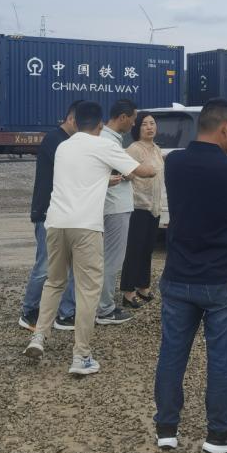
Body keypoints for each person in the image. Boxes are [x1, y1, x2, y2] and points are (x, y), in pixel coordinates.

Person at [153, 98, 227, 453]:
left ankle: (166, 428)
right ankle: (220, 433)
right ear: (226, 128)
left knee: (172, 353)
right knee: (222, 357)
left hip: (178, 275)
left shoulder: (174, 162)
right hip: (221, 278)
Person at [23, 101, 156, 375]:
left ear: (75, 120)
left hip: (55, 223)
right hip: (85, 227)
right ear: (99, 124)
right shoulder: (103, 145)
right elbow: (143, 172)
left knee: (54, 282)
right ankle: (81, 356)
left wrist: (104, 178)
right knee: (87, 290)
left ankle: (39, 337)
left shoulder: (64, 146)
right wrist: (154, 163)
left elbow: (81, 179)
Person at [17, 100, 82, 332]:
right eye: (82, 123)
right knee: (46, 265)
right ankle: (29, 311)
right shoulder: (55, 140)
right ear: (71, 119)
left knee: (68, 266)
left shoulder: (67, 140)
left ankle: (65, 313)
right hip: (47, 212)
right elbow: (73, 171)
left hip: (65, 213)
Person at [95, 99, 139, 326]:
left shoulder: (106, 138)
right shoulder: (108, 141)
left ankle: (99, 305)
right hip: (115, 207)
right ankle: (104, 309)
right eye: (133, 118)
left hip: (110, 206)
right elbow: (132, 172)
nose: (134, 123)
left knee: (104, 258)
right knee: (111, 259)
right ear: (123, 117)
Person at [120, 113, 166, 308]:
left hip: (154, 206)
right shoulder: (134, 149)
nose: (149, 127)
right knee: (134, 250)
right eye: (145, 124)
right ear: (137, 128)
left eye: (152, 123)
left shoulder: (156, 149)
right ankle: (128, 292)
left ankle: (143, 286)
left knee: (147, 249)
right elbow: (125, 172)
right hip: (138, 205)